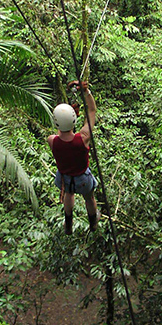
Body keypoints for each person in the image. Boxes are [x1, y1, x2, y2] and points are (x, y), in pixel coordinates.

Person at [47, 81, 100, 235]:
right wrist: (86, 92)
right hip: (82, 178)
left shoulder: (52, 140)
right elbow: (92, 111)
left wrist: (68, 118)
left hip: (64, 178)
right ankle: (93, 223)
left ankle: (68, 223)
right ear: (74, 120)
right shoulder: (83, 138)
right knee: (89, 198)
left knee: (69, 194)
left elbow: (60, 136)